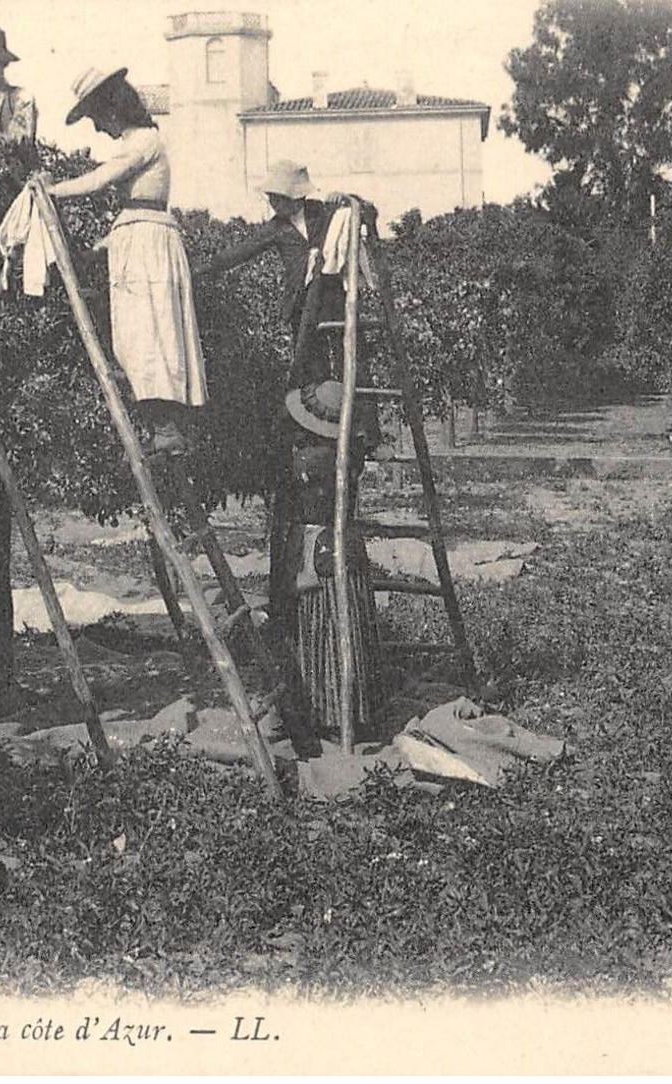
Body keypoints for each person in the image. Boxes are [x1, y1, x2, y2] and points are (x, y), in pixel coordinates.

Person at [48, 67, 207, 455]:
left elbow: (103, 179)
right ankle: (160, 424)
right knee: (137, 332)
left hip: (148, 244)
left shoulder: (146, 140)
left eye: (97, 117)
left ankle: (166, 425)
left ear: (113, 109)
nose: (98, 128)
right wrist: (103, 245)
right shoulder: (136, 143)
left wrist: (51, 190)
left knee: (150, 331)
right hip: (137, 240)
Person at [282, 380, 386, 739]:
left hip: (318, 548)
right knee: (349, 628)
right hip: (346, 544)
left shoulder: (309, 459)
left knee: (320, 628)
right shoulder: (350, 455)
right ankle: (357, 709)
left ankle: (325, 713)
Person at [195, 160, 345, 388]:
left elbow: (360, 213)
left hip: (330, 298)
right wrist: (205, 268)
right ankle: (316, 417)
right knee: (311, 364)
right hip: (300, 302)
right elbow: (242, 251)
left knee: (345, 352)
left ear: (293, 197)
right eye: (271, 198)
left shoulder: (321, 211)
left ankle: (356, 417)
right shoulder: (276, 227)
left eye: (277, 198)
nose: (273, 203)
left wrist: (343, 198)